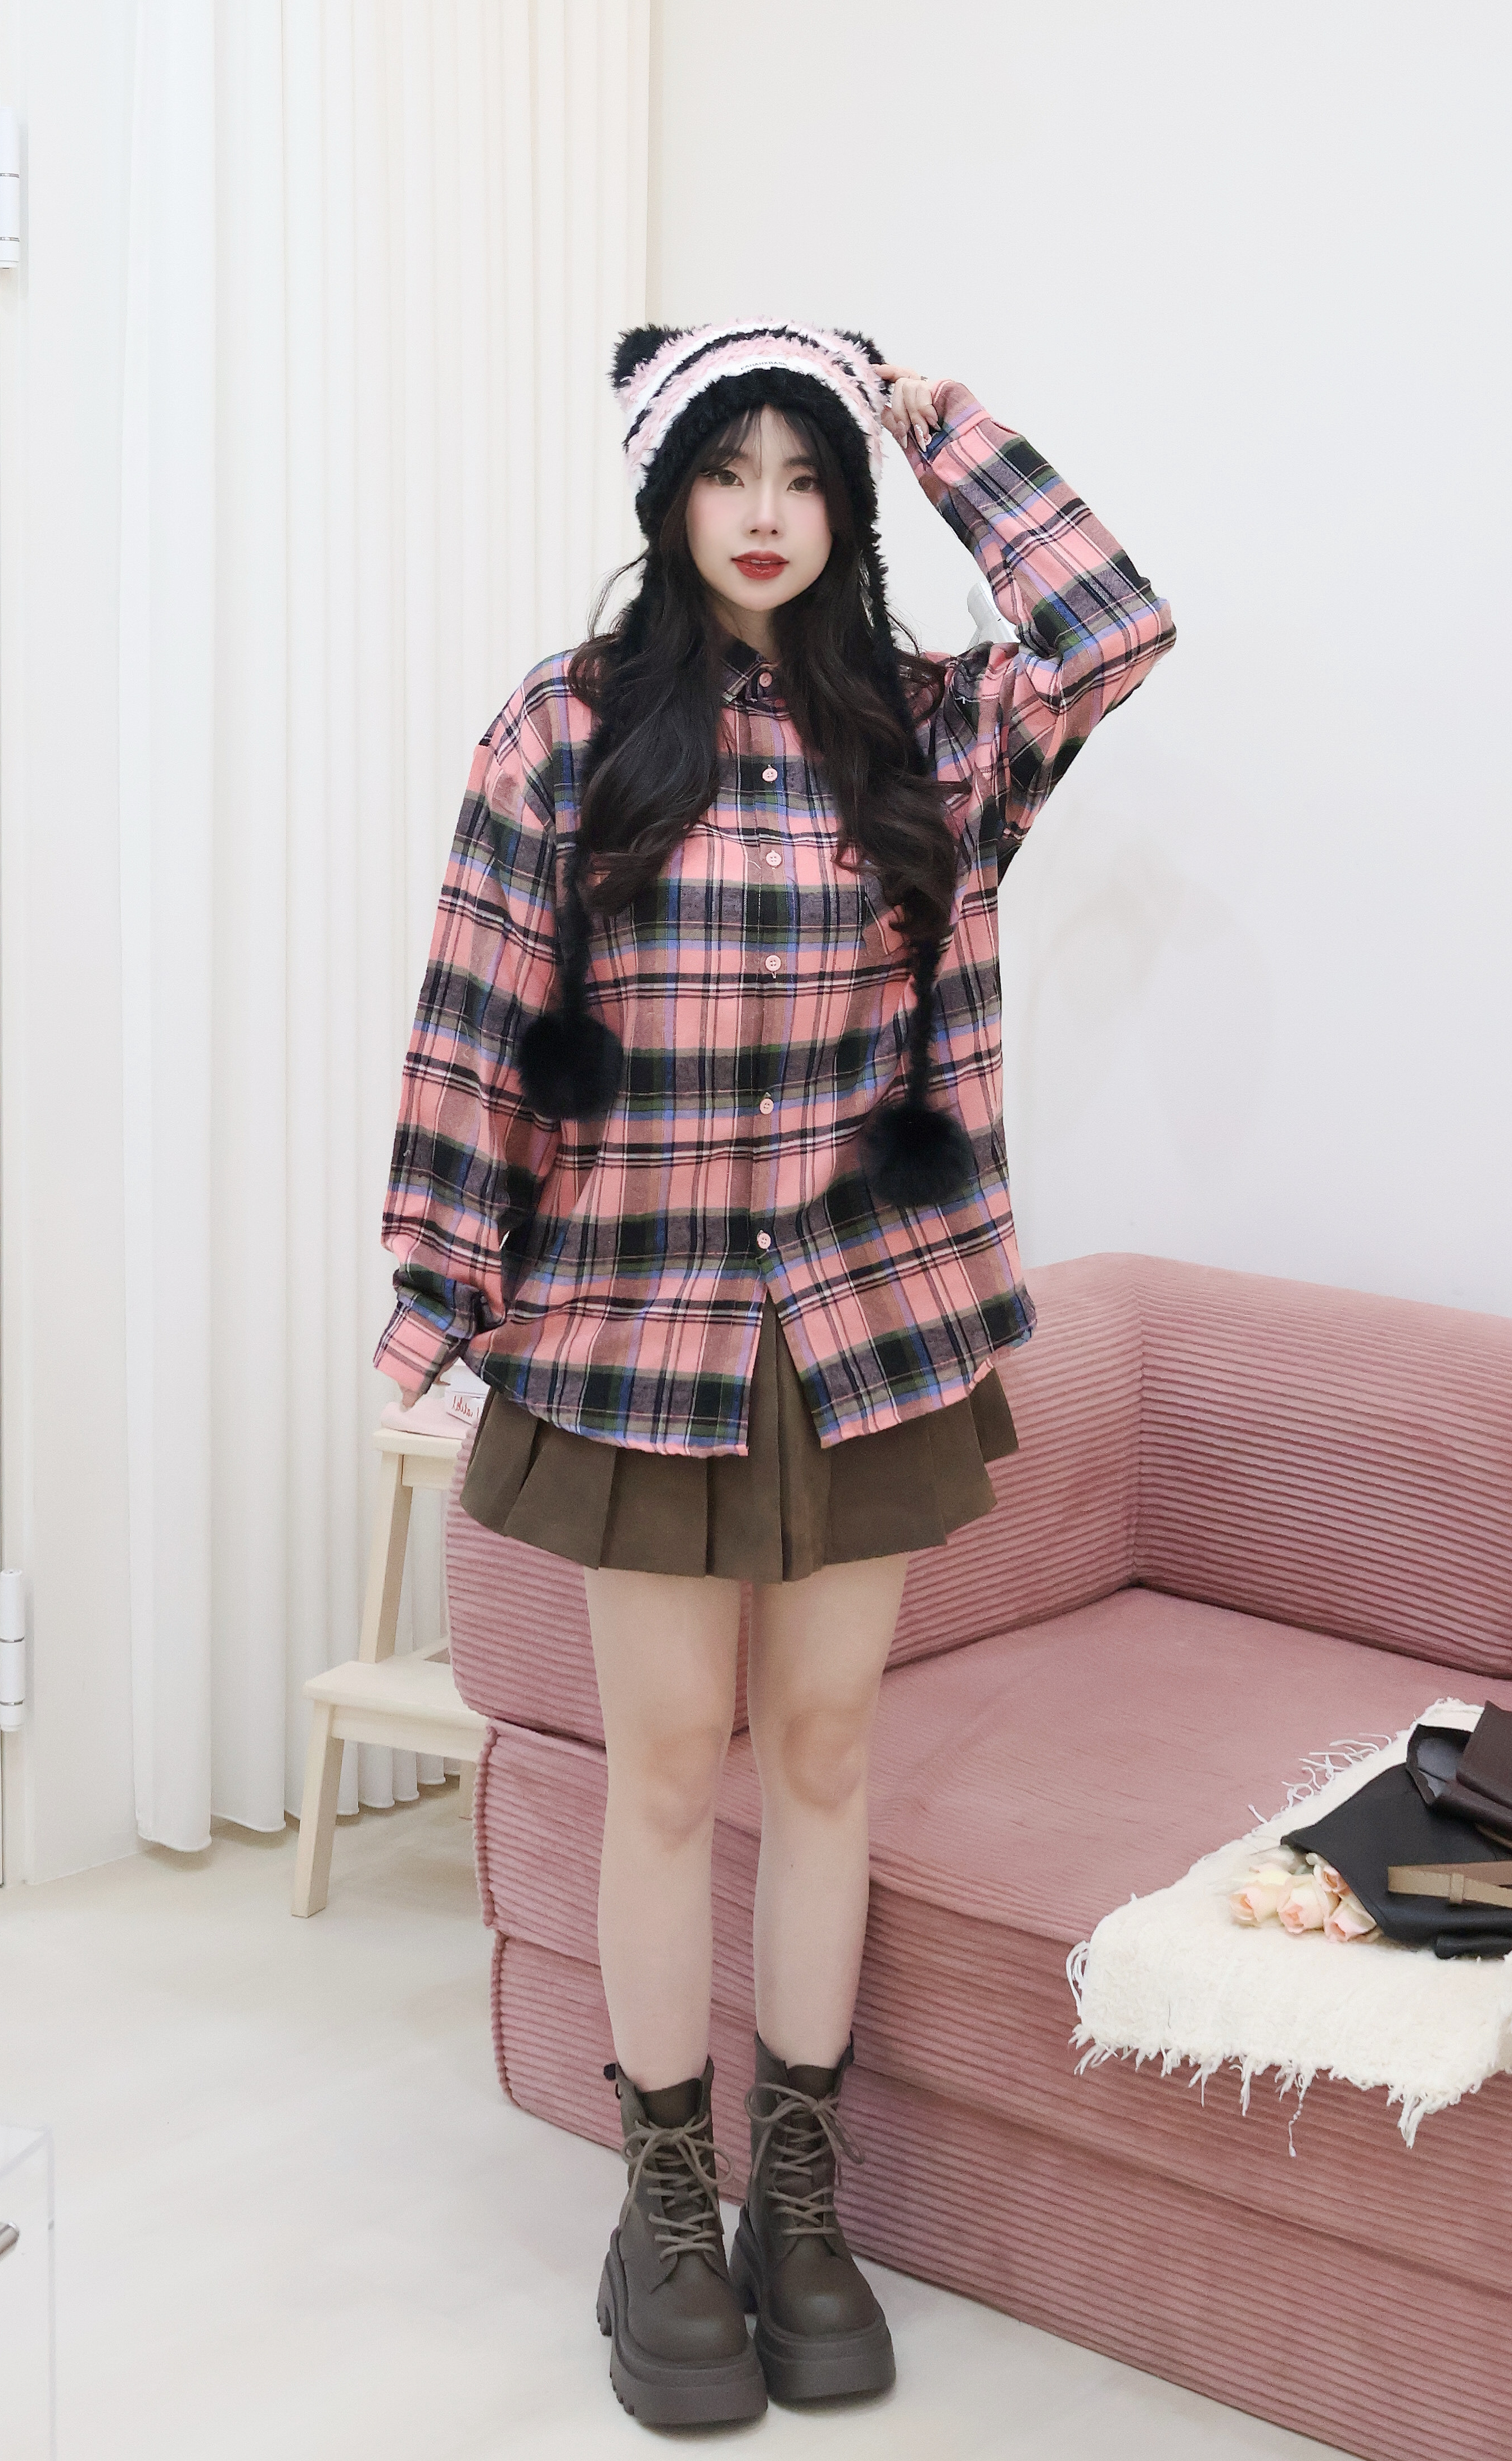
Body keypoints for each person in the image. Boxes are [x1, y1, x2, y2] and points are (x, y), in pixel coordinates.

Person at [376, 321, 1174, 2428]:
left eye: (804, 473)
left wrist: (937, 421)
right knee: (665, 1765)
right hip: (634, 1325)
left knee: (824, 1754)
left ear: (847, 504)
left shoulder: (929, 735)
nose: (763, 511)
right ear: (665, 498)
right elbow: (474, 1021)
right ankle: (664, 2201)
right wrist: (440, 1292)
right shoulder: (563, 731)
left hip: (865, 1319)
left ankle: (795, 2198)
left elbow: (1110, 624)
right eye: (727, 469)